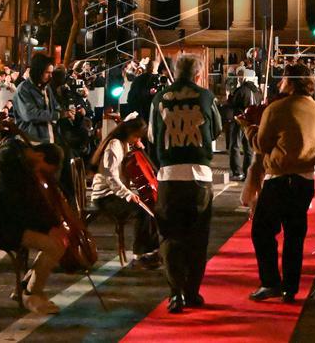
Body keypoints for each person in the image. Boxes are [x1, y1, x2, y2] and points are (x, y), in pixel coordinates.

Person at [148, 53, 223, 314]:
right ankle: (192, 292)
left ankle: (175, 292)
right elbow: (216, 130)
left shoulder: (159, 98)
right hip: (199, 174)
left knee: (170, 235)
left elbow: (151, 134)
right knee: (197, 236)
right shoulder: (206, 97)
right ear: (199, 74)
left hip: (169, 174)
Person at [246, 63, 315, 304]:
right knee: (294, 235)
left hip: (280, 178)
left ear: (290, 82)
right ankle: (290, 288)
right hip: (305, 179)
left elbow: (262, 144)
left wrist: (248, 129)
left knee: (262, 231)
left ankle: (270, 282)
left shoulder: (278, 107)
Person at [0, 133, 67, 315]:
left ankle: (27, 287)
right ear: (40, 156)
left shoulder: (16, 157)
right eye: (44, 171)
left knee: (56, 242)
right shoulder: (8, 162)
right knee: (54, 246)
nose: (41, 176)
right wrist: (46, 226)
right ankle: (31, 294)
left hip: (8, 219)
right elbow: (15, 204)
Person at [89, 114, 160, 267]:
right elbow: (111, 177)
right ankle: (140, 254)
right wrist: (128, 194)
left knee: (149, 210)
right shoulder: (114, 145)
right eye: (136, 136)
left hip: (115, 193)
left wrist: (137, 148)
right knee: (141, 212)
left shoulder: (124, 144)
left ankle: (151, 251)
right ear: (129, 133)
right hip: (105, 196)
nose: (137, 140)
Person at [227, 68, 261, 181]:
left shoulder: (241, 90)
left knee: (235, 145)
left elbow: (232, 104)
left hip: (239, 120)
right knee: (248, 147)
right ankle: (247, 172)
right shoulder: (257, 91)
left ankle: (237, 172)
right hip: (251, 122)